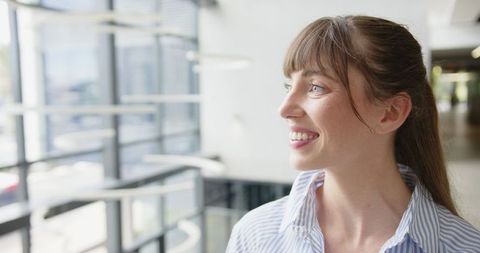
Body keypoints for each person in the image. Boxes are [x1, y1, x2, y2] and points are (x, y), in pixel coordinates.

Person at [226, 15, 480, 253]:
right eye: (288, 86)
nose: (284, 109)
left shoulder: (464, 247)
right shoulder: (254, 236)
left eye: (315, 86)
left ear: (390, 112)